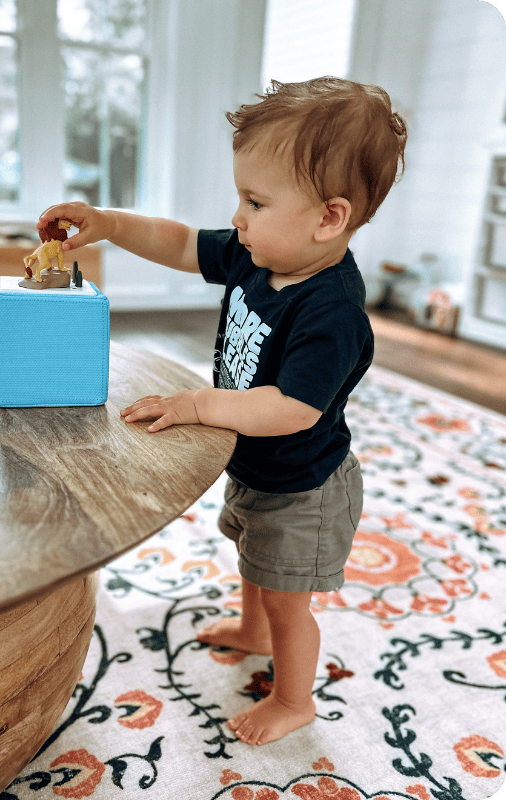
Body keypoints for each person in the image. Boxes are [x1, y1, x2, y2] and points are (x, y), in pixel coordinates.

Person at [37, 76, 407, 746]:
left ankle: (294, 699)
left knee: (290, 601)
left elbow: (294, 407)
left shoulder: (331, 311)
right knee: (253, 562)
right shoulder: (255, 253)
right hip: (258, 464)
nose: (237, 216)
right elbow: (180, 243)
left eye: (256, 201)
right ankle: (250, 629)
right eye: (241, 196)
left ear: (329, 216)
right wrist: (111, 225)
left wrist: (201, 404)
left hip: (304, 486)